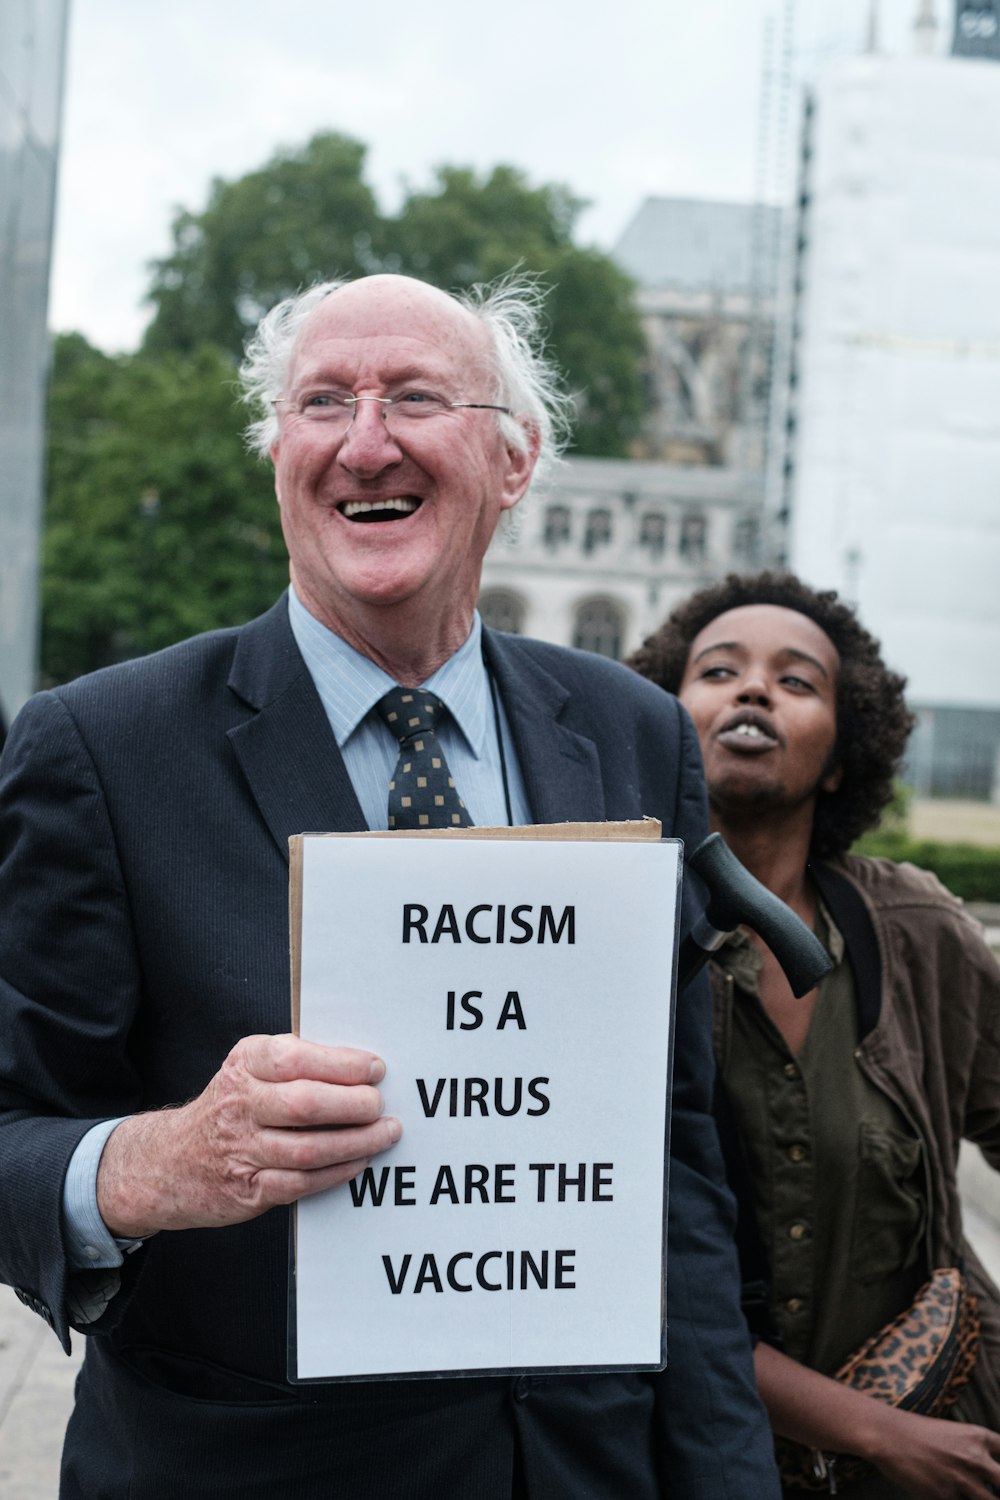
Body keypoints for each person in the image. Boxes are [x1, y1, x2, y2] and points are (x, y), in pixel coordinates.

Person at [0, 274, 779, 1499]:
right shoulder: (102, 748)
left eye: (415, 397)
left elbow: (670, 1159)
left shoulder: (632, 736)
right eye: (322, 401)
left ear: (512, 462)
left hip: (581, 1468)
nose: (366, 442)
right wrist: (152, 1165)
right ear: (278, 457)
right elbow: (10, 1131)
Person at [629, 570, 1000, 1499]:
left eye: (797, 681)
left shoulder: (919, 930)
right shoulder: (603, 936)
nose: (754, 689)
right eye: (718, 672)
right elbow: (622, 1278)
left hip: (947, 1451)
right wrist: (873, 1433)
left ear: (844, 754)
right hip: (701, 1462)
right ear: (662, 722)